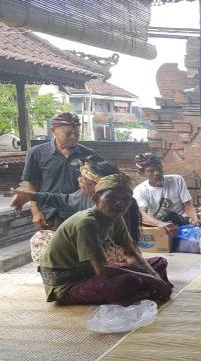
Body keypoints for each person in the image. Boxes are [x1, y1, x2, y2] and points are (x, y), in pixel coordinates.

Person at [38, 174, 172, 305]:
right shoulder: (86, 223)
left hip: (91, 273)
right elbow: (102, 270)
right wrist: (150, 279)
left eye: (126, 199)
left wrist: (154, 277)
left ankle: (145, 291)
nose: (120, 203)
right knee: (127, 282)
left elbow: (131, 255)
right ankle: (147, 291)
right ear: (96, 198)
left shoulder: (116, 218)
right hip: (67, 285)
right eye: (111, 198)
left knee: (159, 263)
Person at [11, 157, 142, 262]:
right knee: (42, 237)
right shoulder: (84, 194)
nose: (79, 179)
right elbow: (63, 199)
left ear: (95, 183)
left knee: (44, 242)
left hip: (116, 253)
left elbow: (119, 241)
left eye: (83, 178)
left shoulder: (114, 205)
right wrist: (30, 195)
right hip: (104, 247)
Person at [12, 113, 94, 230]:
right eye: (68, 133)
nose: (73, 137)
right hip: (49, 215)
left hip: (81, 215)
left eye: (76, 133)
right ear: (53, 131)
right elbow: (30, 183)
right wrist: (35, 211)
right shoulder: (37, 153)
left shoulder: (88, 154)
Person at [132, 153, 201, 235]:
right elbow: (141, 214)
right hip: (160, 227)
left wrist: (195, 219)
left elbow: (187, 205)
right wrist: (159, 224)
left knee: (168, 214)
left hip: (182, 224)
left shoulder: (177, 180)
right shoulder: (140, 190)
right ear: (141, 173)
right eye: (150, 171)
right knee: (163, 215)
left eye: (158, 169)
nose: (156, 173)